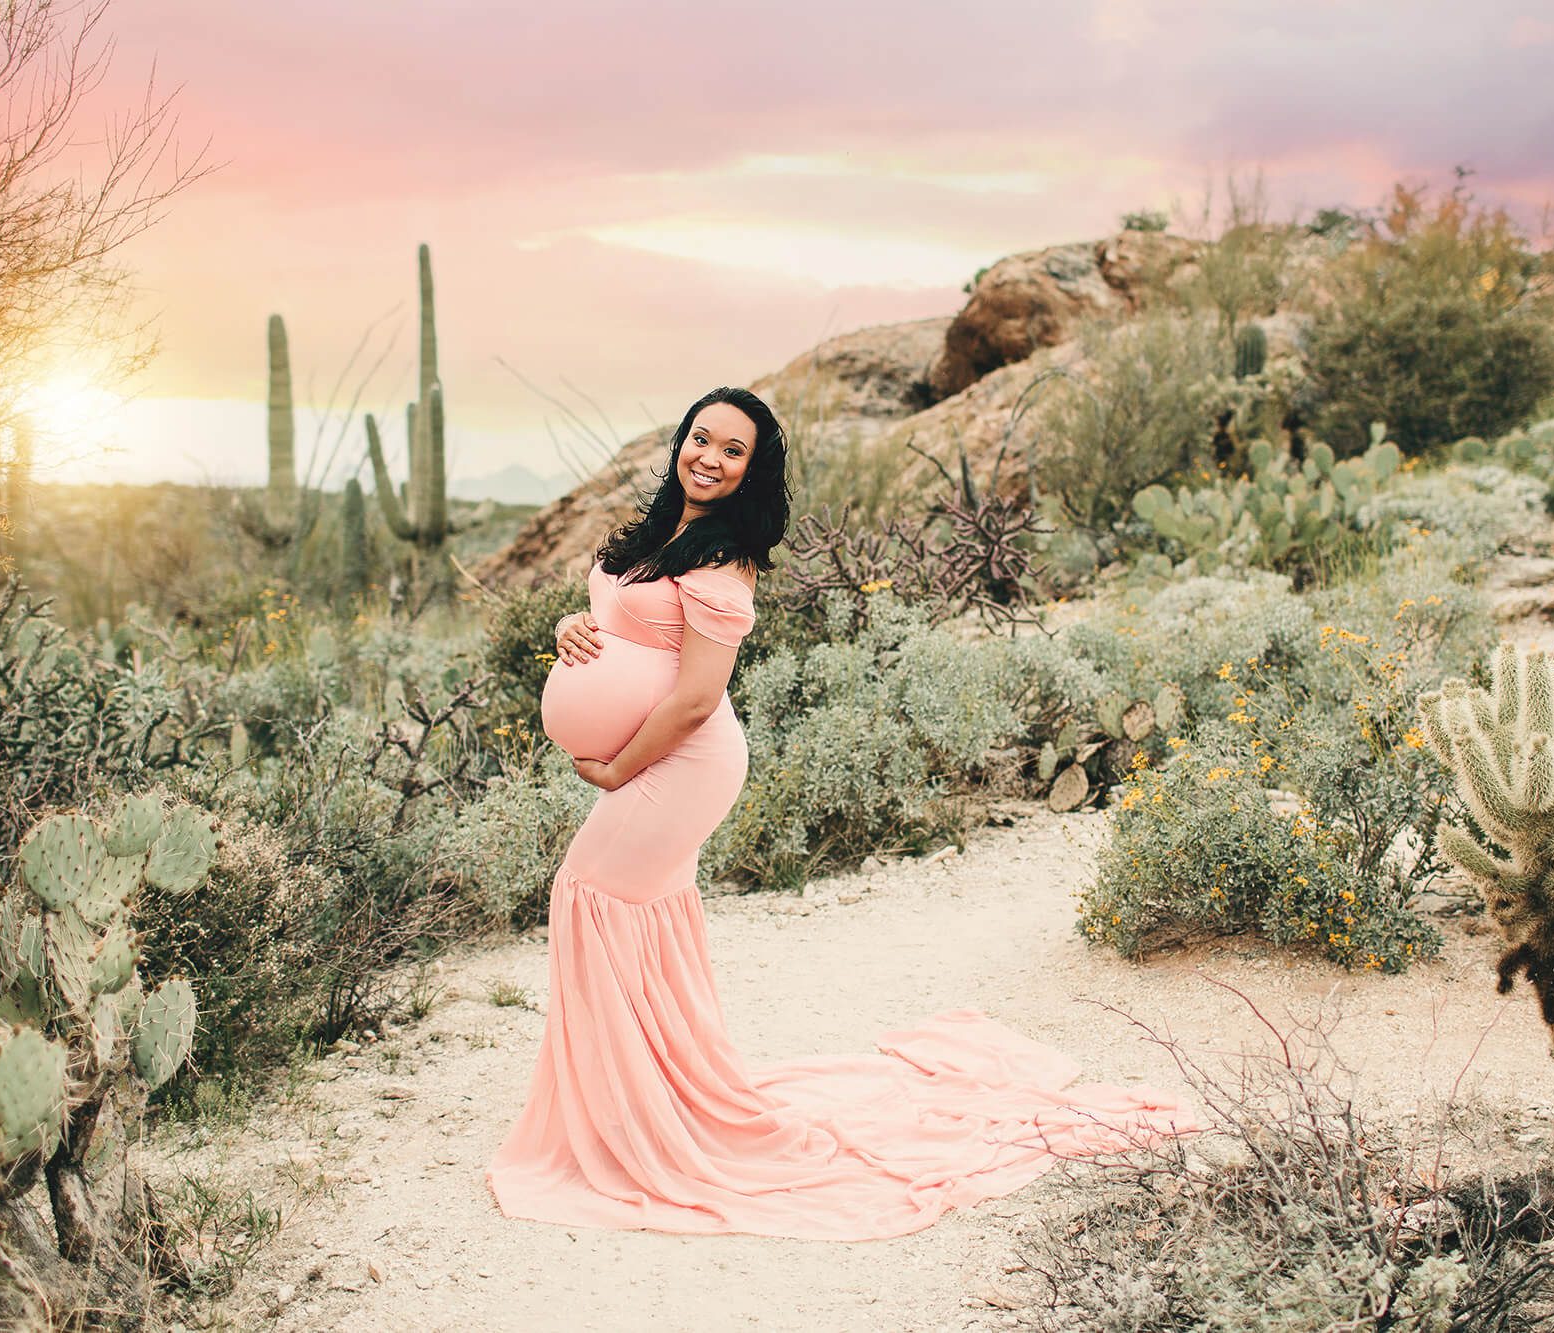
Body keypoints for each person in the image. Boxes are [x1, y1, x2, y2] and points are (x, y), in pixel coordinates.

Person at [484, 386, 1200, 1240]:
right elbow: (617, 616)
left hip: (681, 759)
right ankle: (640, 1103)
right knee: (632, 914)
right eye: (700, 438)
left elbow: (693, 699)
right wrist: (574, 627)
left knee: (589, 893)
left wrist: (610, 769)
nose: (708, 458)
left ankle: (642, 1122)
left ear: (755, 471)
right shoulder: (654, 536)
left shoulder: (723, 563)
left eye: (732, 450)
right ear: (680, 442)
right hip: (650, 755)